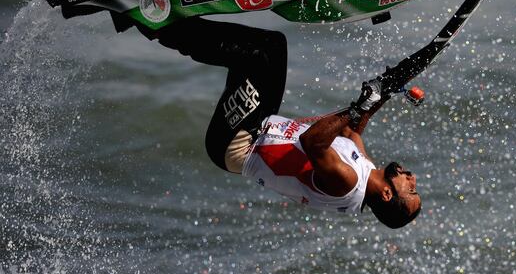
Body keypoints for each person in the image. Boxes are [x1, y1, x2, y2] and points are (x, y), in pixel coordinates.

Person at [135, 16, 421, 229]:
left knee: (256, 57)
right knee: (272, 46)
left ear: (386, 194)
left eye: (410, 188)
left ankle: (156, 22)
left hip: (237, 144)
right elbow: (350, 130)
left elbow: (314, 142)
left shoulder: (347, 183)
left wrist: (361, 104)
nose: (413, 179)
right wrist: (390, 87)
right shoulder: (365, 171)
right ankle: (176, 22)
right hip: (259, 123)